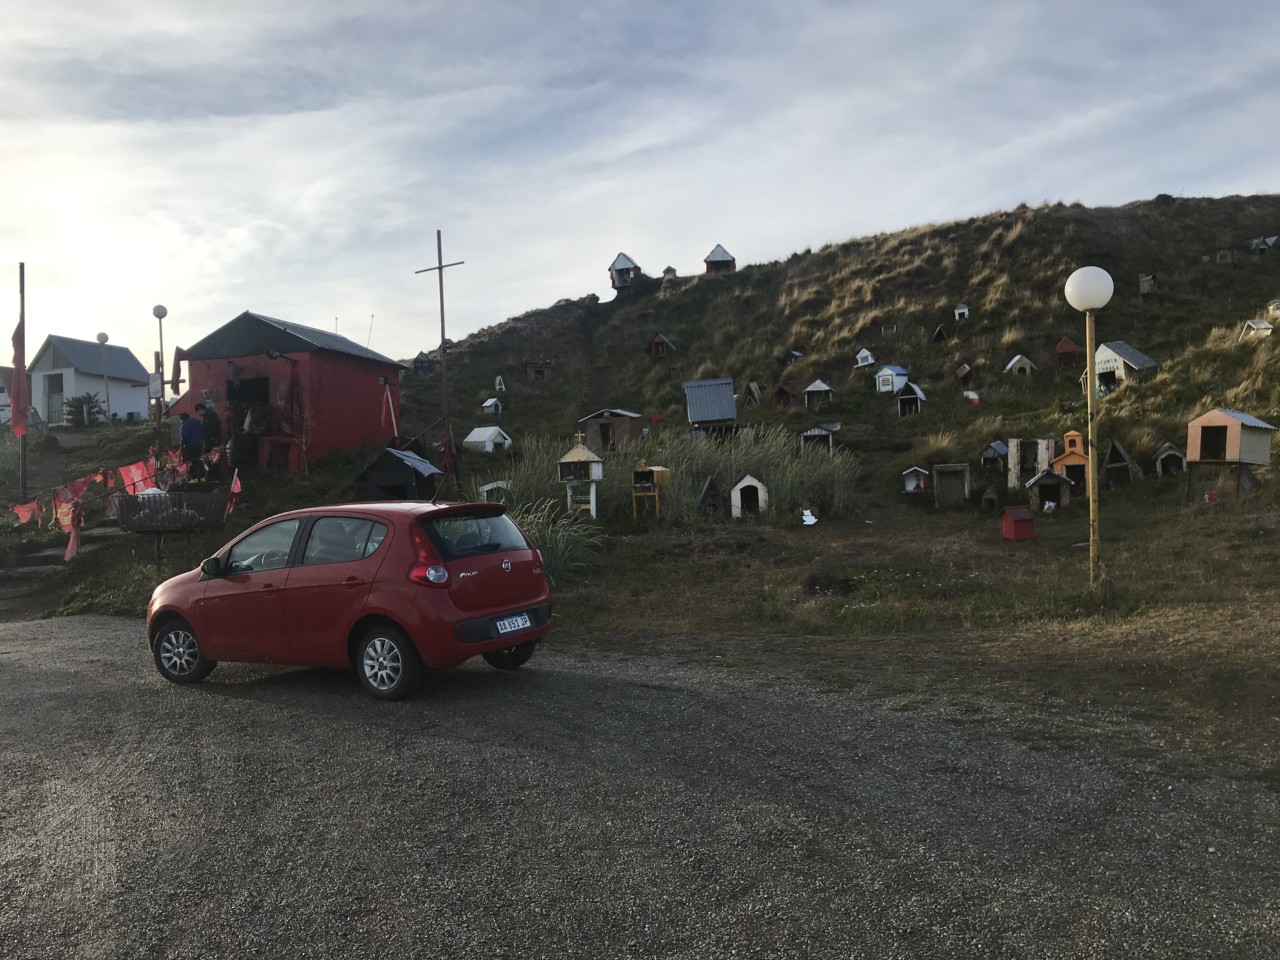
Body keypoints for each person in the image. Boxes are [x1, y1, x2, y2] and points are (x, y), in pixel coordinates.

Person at [197, 402, 223, 479]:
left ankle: (215, 475)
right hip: (208, 441)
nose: (198, 414)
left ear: (201, 409)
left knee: (214, 458)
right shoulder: (206, 416)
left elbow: (215, 428)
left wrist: (213, 438)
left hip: (213, 441)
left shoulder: (211, 415)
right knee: (209, 458)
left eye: (197, 412)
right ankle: (211, 474)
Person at [179, 412, 204, 479]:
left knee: (191, 462)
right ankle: (202, 475)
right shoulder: (197, 423)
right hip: (198, 445)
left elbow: (185, 437)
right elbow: (202, 433)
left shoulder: (184, 426)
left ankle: (194, 476)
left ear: (182, 419)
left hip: (189, 446)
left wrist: (182, 443)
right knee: (198, 460)